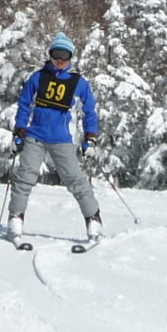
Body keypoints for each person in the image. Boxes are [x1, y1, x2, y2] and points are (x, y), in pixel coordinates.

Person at [6, 32, 103, 246]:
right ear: (49, 55)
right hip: (35, 136)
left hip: (62, 139)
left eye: (64, 57)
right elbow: (24, 105)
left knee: (75, 179)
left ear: (70, 58)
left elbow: (89, 111)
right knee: (25, 177)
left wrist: (91, 138)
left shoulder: (78, 82)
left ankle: (93, 218)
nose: (59, 61)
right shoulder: (38, 78)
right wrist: (19, 132)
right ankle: (15, 218)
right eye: (56, 56)